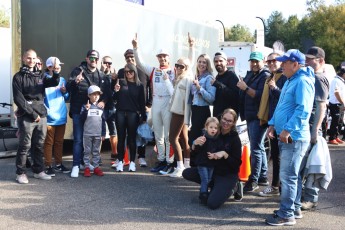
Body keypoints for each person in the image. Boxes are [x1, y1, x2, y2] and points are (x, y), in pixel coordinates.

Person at [265, 49, 315, 226]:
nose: (281, 65)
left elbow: (303, 110)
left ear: (295, 64)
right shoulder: (290, 80)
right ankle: (293, 208)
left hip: (294, 137)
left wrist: (286, 130)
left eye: (285, 62)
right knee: (292, 175)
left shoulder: (302, 81)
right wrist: (272, 124)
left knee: (288, 176)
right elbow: (281, 106)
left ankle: (286, 214)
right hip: (289, 136)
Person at [132, 33, 194, 172]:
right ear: (157, 58)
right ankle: (161, 160)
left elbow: (189, 63)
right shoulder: (153, 70)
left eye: (165, 56)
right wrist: (136, 48)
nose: (162, 58)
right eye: (160, 56)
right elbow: (140, 63)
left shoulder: (175, 70)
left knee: (168, 136)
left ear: (168, 57)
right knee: (158, 135)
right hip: (156, 102)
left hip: (168, 103)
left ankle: (169, 161)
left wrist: (191, 46)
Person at [12, 49, 60, 184]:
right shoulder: (18, 77)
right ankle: (20, 173)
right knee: (24, 145)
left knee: (39, 145)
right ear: (23, 58)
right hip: (27, 115)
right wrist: (33, 114)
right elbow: (18, 99)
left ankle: (39, 171)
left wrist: (56, 72)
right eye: (29, 58)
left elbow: (54, 83)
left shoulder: (40, 76)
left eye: (33, 59)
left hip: (41, 115)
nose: (31, 61)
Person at [183, 108, 242, 209]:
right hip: (212, 169)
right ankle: (216, 188)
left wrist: (224, 154)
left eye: (230, 121)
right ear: (221, 117)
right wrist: (194, 144)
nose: (226, 123)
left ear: (233, 123)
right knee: (187, 173)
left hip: (226, 174)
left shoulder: (234, 139)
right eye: (224, 119)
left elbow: (237, 164)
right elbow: (198, 153)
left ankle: (235, 187)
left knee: (212, 204)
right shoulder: (213, 131)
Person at [66, 50, 111, 178]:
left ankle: (83, 163)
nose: (94, 60)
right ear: (86, 59)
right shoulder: (77, 71)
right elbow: (68, 88)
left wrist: (103, 101)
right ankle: (75, 165)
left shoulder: (101, 75)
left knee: (92, 141)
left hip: (94, 114)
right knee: (79, 140)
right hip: (78, 111)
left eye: (96, 59)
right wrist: (75, 81)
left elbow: (107, 92)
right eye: (91, 58)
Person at [298, 46, 330, 211]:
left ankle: (311, 198)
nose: (307, 61)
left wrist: (314, 131)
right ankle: (305, 196)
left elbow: (321, 106)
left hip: (312, 127)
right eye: (306, 58)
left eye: (310, 58)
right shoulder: (311, 76)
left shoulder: (318, 78)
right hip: (308, 126)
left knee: (312, 163)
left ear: (321, 61)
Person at [237, 51, 271, 192]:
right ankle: (263, 176)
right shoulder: (251, 74)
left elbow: (259, 96)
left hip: (258, 116)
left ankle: (254, 180)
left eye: (257, 61)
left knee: (255, 148)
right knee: (259, 147)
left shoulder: (265, 75)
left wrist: (245, 87)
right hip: (250, 115)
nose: (255, 64)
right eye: (252, 61)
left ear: (262, 61)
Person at [113, 49, 152, 168]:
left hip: (134, 113)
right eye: (127, 72)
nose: (129, 73)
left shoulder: (141, 79)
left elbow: (146, 95)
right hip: (120, 112)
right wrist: (115, 88)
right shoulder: (121, 78)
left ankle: (135, 161)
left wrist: (146, 110)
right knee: (121, 138)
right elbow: (114, 96)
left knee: (133, 138)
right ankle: (120, 161)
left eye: (131, 72)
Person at [258, 53, 287, 197]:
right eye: (268, 61)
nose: (270, 63)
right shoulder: (271, 77)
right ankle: (276, 186)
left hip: (282, 124)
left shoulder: (283, 77)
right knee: (275, 155)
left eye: (273, 60)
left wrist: (274, 88)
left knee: (281, 157)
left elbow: (285, 99)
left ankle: (280, 187)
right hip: (273, 121)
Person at [162, 57, 193, 177]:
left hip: (180, 112)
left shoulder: (186, 79)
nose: (179, 68)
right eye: (177, 65)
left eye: (182, 66)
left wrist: (187, 118)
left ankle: (180, 167)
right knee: (184, 139)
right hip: (179, 112)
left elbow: (187, 101)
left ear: (186, 68)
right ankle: (186, 165)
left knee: (172, 139)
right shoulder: (181, 78)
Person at [43, 57, 70, 176]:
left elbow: (67, 97)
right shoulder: (43, 79)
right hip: (49, 116)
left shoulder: (62, 79)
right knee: (49, 142)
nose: (59, 67)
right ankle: (48, 165)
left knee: (59, 142)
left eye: (59, 66)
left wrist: (65, 91)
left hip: (61, 115)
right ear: (49, 67)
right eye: (56, 66)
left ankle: (58, 164)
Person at [189, 54, 216, 152]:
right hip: (195, 110)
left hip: (203, 111)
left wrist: (199, 88)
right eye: (199, 61)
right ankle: (194, 162)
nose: (201, 64)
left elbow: (211, 98)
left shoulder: (209, 78)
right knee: (193, 137)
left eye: (204, 62)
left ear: (207, 64)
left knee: (200, 138)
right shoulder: (197, 77)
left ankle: (200, 163)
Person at [192, 117, 219, 204]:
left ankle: (204, 192)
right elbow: (196, 149)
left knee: (209, 179)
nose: (213, 130)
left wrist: (215, 155)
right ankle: (203, 194)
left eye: (215, 128)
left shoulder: (217, 139)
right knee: (205, 179)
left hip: (211, 163)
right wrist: (195, 143)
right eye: (211, 127)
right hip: (202, 163)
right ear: (206, 127)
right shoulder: (203, 138)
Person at [80, 85, 106, 177]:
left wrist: (103, 133)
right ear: (89, 95)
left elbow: (103, 121)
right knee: (87, 151)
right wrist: (86, 110)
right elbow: (81, 119)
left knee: (96, 151)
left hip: (98, 134)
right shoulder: (85, 106)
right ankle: (87, 167)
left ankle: (96, 167)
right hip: (87, 133)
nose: (96, 96)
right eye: (93, 94)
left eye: (98, 94)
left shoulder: (101, 107)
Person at [100, 56, 118, 160]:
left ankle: (114, 154)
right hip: (100, 107)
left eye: (110, 63)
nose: (108, 65)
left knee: (113, 131)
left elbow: (115, 92)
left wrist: (115, 80)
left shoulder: (113, 77)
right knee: (100, 132)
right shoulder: (98, 74)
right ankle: (97, 157)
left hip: (111, 107)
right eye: (106, 63)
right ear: (101, 63)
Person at [212, 52, 240, 118]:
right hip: (217, 116)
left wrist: (218, 84)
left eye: (221, 61)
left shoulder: (232, 76)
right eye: (216, 61)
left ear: (226, 62)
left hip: (228, 118)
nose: (218, 63)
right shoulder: (217, 77)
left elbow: (235, 96)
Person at [328, 67, 345, 144]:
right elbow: (336, 93)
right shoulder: (336, 81)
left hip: (340, 104)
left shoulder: (341, 81)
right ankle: (332, 138)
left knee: (340, 122)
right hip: (336, 104)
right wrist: (342, 102)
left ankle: (336, 136)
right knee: (335, 121)